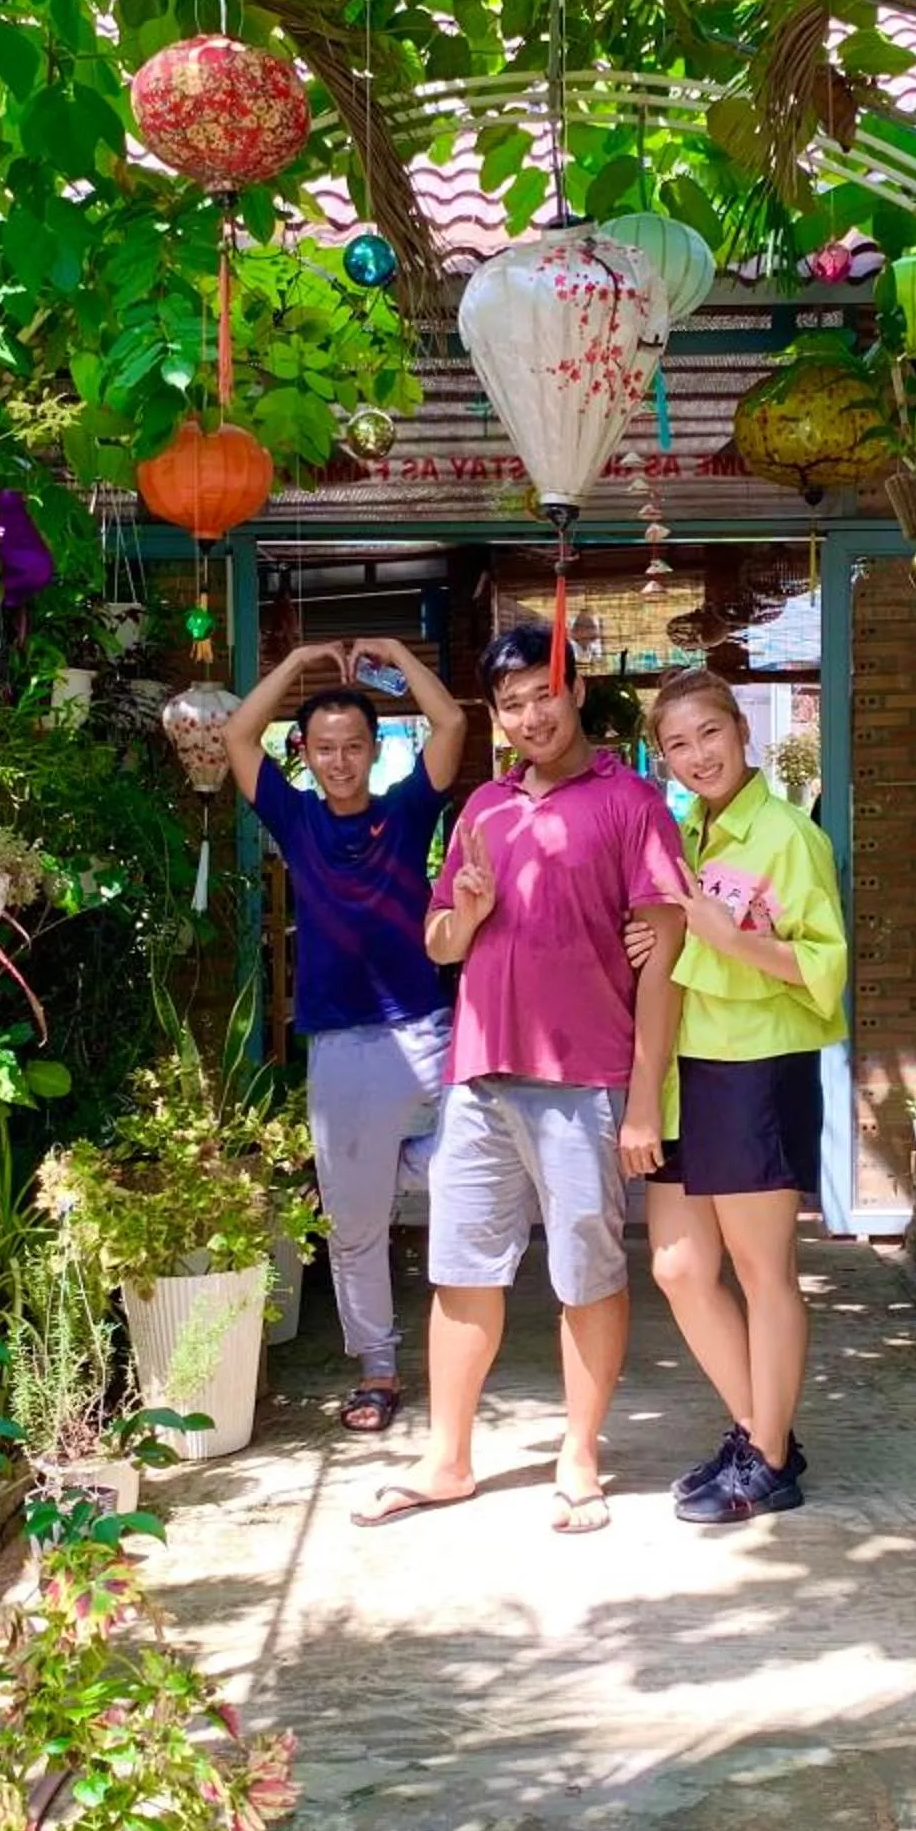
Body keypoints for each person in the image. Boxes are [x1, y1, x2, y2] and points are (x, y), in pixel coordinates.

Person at [353, 621, 687, 1535]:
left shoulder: (633, 804)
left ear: (574, 690)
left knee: (586, 1274)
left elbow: (665, 959)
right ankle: (447, 1459)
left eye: (544, 693)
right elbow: (439, 942)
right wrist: (465, 916)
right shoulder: (485, 810)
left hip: (586, 1081)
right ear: (495, 718)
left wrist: (646, 1097)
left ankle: (579, 1456)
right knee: (461, 1269)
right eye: (511, 704)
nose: (530, 715)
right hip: (479, 1077)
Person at [227, 636, 466, 1433]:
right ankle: (379, 1369)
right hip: (341, 1049)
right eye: (323, 748)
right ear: (305, 753)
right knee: (354, 1226)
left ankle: (463, 1335)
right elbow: (235, 737)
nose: (338, 761)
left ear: (373, 750)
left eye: (352, 747)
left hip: (427, 1034)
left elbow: (451, 725)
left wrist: (395, 654)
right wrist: (295, 666)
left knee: (467, 1178)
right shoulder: (294, 819)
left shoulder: (405, 812)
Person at [637, 670, 848, 1523]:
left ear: (742, 731)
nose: (697, 757)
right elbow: (679, 945)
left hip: (757, 1066)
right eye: (677, 746)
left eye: (709, 734)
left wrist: (737, 942)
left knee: (765, 1275)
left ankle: (768, 1460)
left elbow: (826, 970)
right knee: (679, 1267)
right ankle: (763, 1431)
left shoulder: (789, 836)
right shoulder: (689, 834)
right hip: (692, 1071)